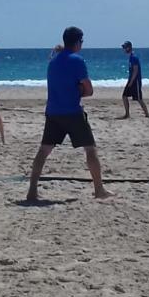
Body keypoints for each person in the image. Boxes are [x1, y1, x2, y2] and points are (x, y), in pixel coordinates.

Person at [26, 26, 112, 202]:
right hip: (72, 112)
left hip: (53, 113)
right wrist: (77, 91)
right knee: (90, 149)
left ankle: (32, 191)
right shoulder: (77, 61)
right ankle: (99, 189)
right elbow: (89, 91)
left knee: (43, 151)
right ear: (78, 41)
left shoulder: (53, 62)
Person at [118, 41, 149, 119]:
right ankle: (127, 114)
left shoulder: (134, 57)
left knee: (139, 98)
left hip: (136, 82)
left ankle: (147, 114)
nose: (124, 49)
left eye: (125, 47)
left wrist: (131, 82)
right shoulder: (131, 57)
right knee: (124, 96)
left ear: (129, 47)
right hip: (131, 80)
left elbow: (136, 71)